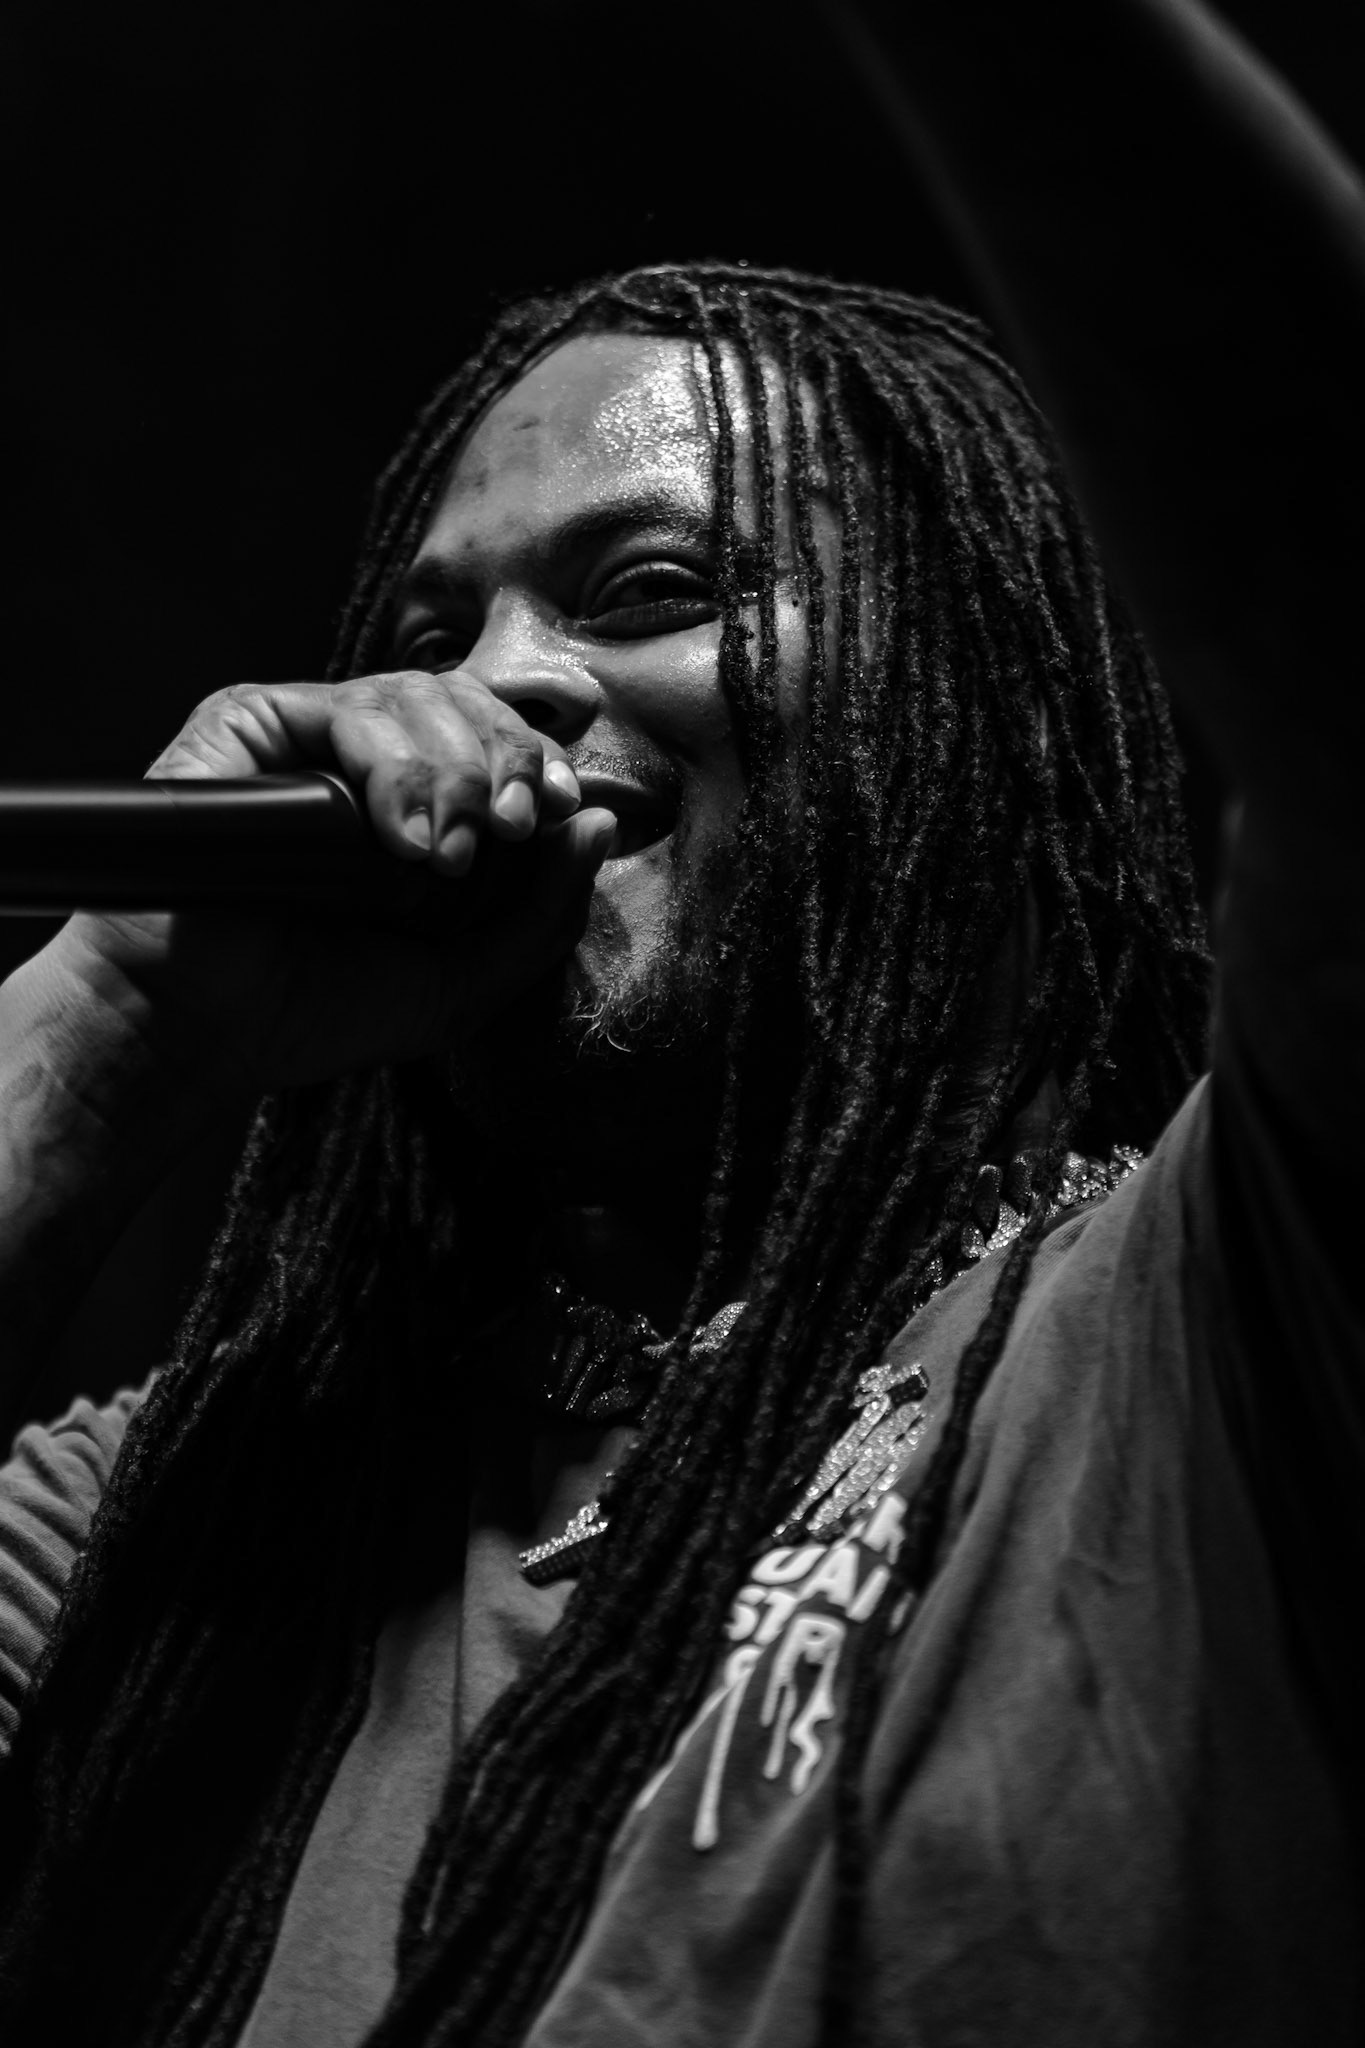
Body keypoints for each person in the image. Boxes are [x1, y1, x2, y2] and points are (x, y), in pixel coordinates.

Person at [0, 0, 1361, 2042]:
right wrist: (112, 1022)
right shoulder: (160, 1518)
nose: (495, 684)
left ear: (970, 724)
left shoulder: (1205, 1329)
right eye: (432, 633)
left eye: (646, 588)